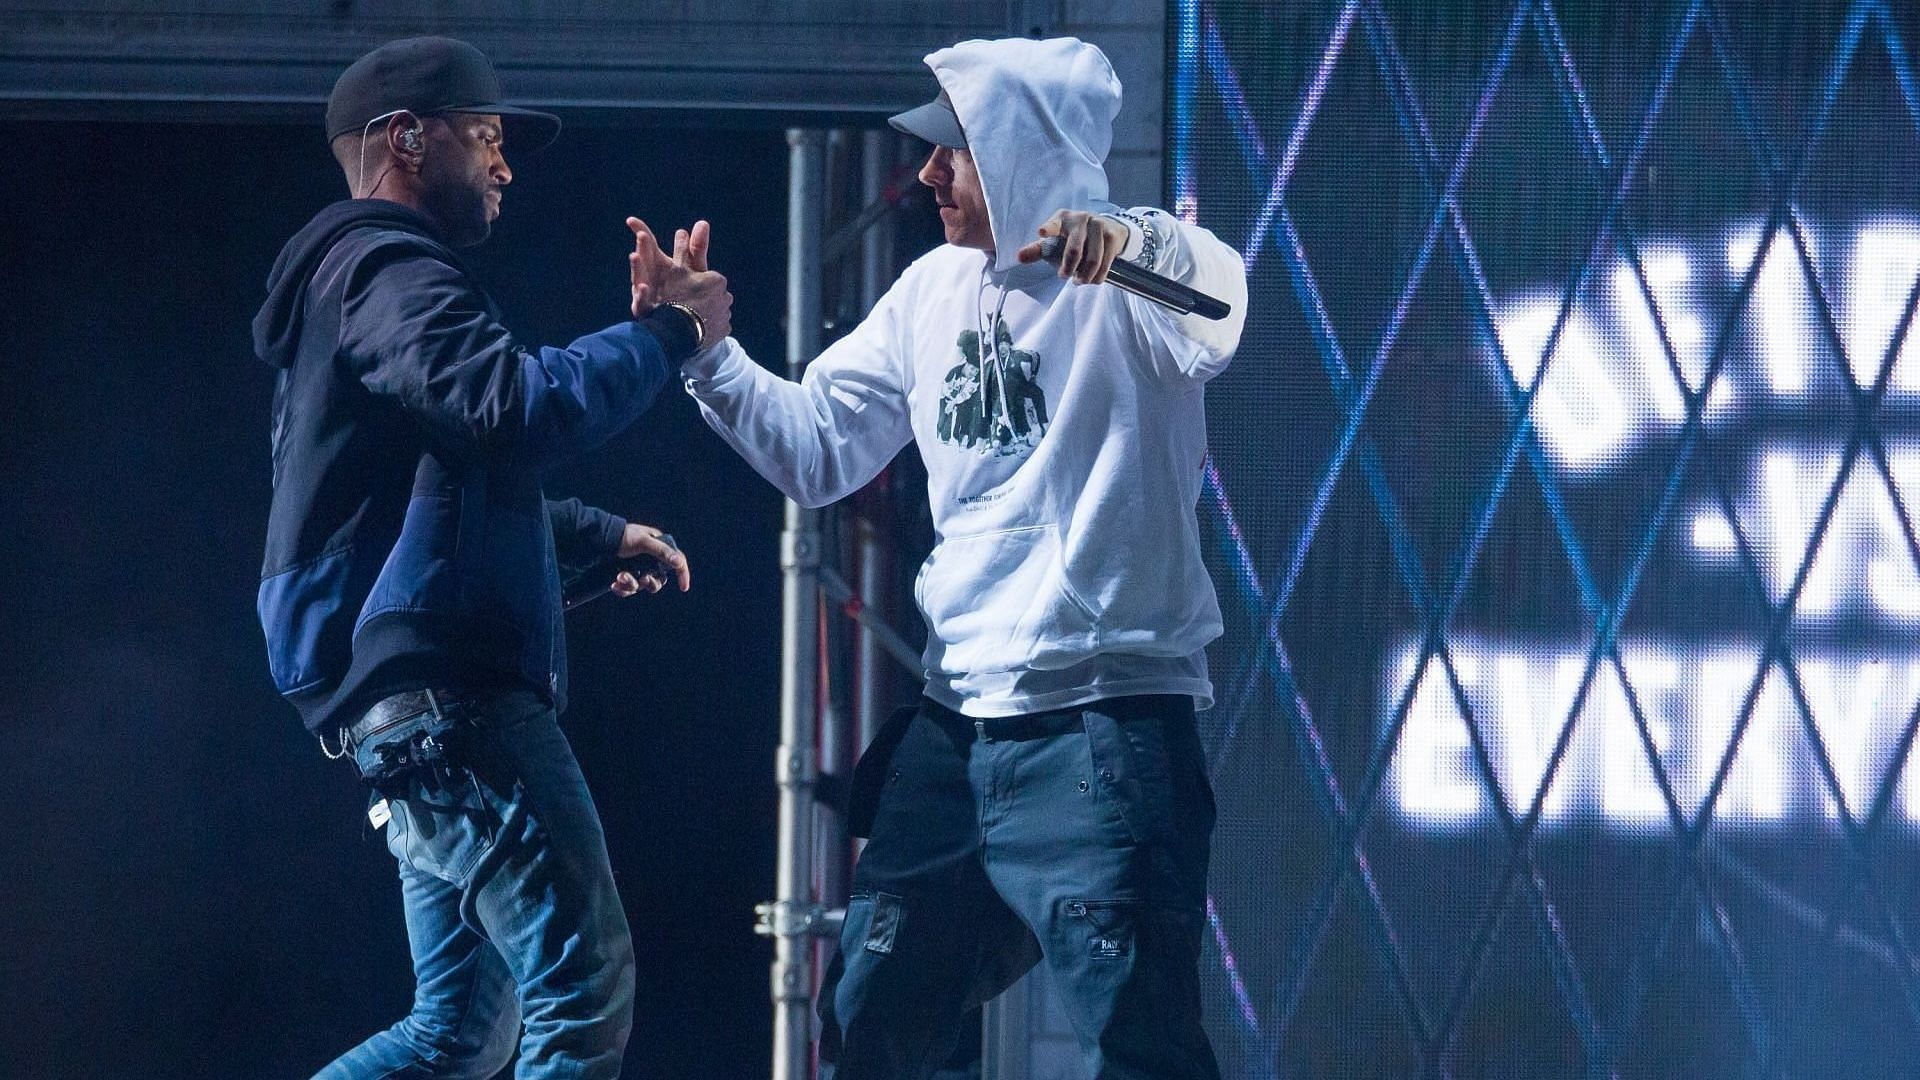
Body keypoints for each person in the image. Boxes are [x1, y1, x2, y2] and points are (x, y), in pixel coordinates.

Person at [668, 34, 1246, 1080]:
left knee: (1141, 1046)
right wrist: (709, 352)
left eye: (956, 150)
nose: (928, 172)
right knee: (876, 1020)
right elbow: (818, 448)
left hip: (1102, 729)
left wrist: (1120, 246)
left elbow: (1221, 305)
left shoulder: (1135, 268)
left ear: (1025, 150)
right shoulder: (931, 291)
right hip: (955, 728)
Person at [249, 36, 729, 1079]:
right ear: (406, 140)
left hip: (412, 708)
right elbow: (511, 405)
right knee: (582, 994)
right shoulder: (383, 268)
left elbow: (423, 497)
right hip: (451, 708)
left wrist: (598, 540)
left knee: (457, 1031)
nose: (505, 166)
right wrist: (669, 338)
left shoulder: (358, 291)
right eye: (485, 138)